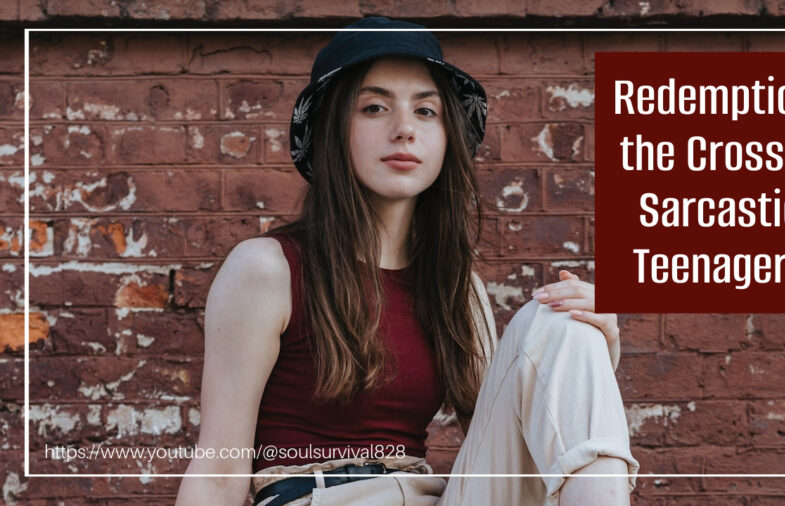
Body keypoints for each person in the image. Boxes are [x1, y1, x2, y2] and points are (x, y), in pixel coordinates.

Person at [175, 17, 639, 506]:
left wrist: (596, 343)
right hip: (324, 498)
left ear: (445, 137)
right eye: (374, 107)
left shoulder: (456, 288)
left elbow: (518, 433)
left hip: (435, 497)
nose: (404, 130)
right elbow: (218, 469)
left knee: (563, 321)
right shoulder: (268, 269)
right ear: (333, 128)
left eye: (426, 111)